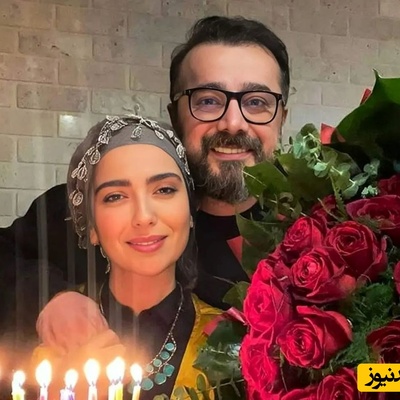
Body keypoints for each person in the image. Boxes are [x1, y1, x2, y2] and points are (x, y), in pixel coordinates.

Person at [0, 15, 289, 353]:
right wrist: (48, 299)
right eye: (208, 100)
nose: (233, 123)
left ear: (282, 117)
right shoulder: (99, 206)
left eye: (257, 102)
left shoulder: (318, 228)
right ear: (175, 116)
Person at [31, 115, 220, 400]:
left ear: (191, 211)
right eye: (115, 196)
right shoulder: (48, 334)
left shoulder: (231, 342)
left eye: (164, 190)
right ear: (91, 226)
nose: (144, 216)